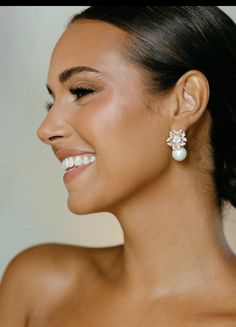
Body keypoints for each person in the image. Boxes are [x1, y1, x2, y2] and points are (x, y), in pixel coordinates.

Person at [1, 5, 236, 326]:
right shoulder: (39, 288)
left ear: (185, 101)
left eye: (82, 91)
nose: (45, 129)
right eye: (51, 101)